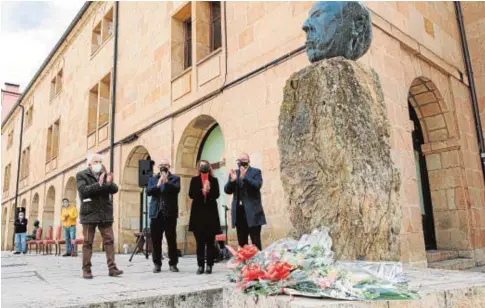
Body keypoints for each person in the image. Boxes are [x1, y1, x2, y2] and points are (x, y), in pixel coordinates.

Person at [76, 153, 123, 279]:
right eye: (95, 162)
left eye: (99, 162)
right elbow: (83, 191)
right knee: (87, 242)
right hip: (89, 212)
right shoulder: (81, 175)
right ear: (89, 164)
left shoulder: (104, 173)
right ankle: (86, 270)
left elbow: (114, 189)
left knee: (109, 241)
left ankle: (112, 268)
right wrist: (99, 184)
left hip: (104, 213)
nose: (98, 164)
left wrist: (108, 182)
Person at [224, 153, 266, 250]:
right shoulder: (234, 173)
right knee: (242, 242)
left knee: (255, 242)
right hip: (239, 212)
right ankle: (244, 263)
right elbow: (227, 190)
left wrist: (244, 177)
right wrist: (232, 181)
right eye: (240, 159)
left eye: (244, 159)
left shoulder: (256, 172)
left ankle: (257, 264)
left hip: (253, 212)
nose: (242, 161)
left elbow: (257, 185)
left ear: (248, 160)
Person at [147, 158, 181, 273]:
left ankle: (173, 263)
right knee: (156, 240)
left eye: (166, 165)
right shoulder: (152, 178)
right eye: (161, 165)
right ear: (158, 167)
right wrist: (158, 183)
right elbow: (149, 192)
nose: (163, 167)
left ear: (169, 167)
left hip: (170, 214)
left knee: (171, 239)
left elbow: (176, 190)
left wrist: (166, 182)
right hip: (156, 214)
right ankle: (157, 264)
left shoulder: (175, 178)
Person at [188, 160, 221, 274]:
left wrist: (209, 190)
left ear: (209, 167)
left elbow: (217, 194)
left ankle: (209, 265)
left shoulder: (214, 180)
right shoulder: (194, 180)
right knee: (200, 243)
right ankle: (200, 265)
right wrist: (202, 191)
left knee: (210, 242)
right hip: (198, 215)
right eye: (201, 165)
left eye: (205, 165)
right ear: (198, 167)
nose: (203, 167)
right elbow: (191, 194)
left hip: (210, 215)